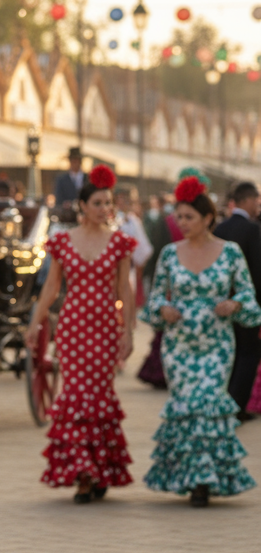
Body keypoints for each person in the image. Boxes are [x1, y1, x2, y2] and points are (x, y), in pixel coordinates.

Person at [140, 176, 259, 505]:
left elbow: (249, 298)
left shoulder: (231, 253)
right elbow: (152, 302)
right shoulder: (168, 254)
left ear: (208, 218)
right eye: (179, 217)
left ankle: (204, 481)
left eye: (189, 217)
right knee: (187, 409)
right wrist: (163, 309)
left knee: (208, 404)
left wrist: (234, 305)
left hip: (217, 345)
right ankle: (192, 477)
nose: (182, 223)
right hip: (178, 348)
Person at [25, 165, 136, 502]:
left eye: (109, 203)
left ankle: (99, 470)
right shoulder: (62, 240)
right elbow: (52, 288)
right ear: (83, 206)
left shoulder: (120, 242)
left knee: (99, 395)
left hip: (105, 327)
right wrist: (35, 323)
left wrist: (128, 331)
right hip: (72, 329)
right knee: (74, 395)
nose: (105, 209)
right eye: (99, 203)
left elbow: (125, 291)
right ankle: (83, 474)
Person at [213, 181, 261, 418]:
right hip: (245, 302)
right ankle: (237, 406)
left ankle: (226, 401)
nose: (258, 206)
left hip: (222, 303)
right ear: (247, 200)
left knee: (230, 354)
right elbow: (257, 271)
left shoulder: (220, 228)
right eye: (257, 201)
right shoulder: (253, 230)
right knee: (249, 353)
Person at [113, 186, 153, 309]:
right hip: (111, 266)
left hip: (128, 266)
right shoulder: (111, 218)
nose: (123, 202)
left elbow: (143, 247)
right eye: (120, 199)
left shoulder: (133, 220)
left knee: (126, 300)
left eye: (126, 199)